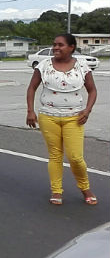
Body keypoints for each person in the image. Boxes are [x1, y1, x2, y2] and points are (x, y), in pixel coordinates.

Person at [26, 33, 98, 206]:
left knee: (75, 157)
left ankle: (85, 188)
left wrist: (87, 111)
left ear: (71, 47)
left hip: (74, 118)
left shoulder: (82, 66)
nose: (56, 48)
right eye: (54, 44)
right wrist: (30, 111)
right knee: (55, 156)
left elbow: (92, 91)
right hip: (48, 117)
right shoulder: (44, 65)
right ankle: (56, 191)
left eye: (60, 45)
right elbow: (31, 88)